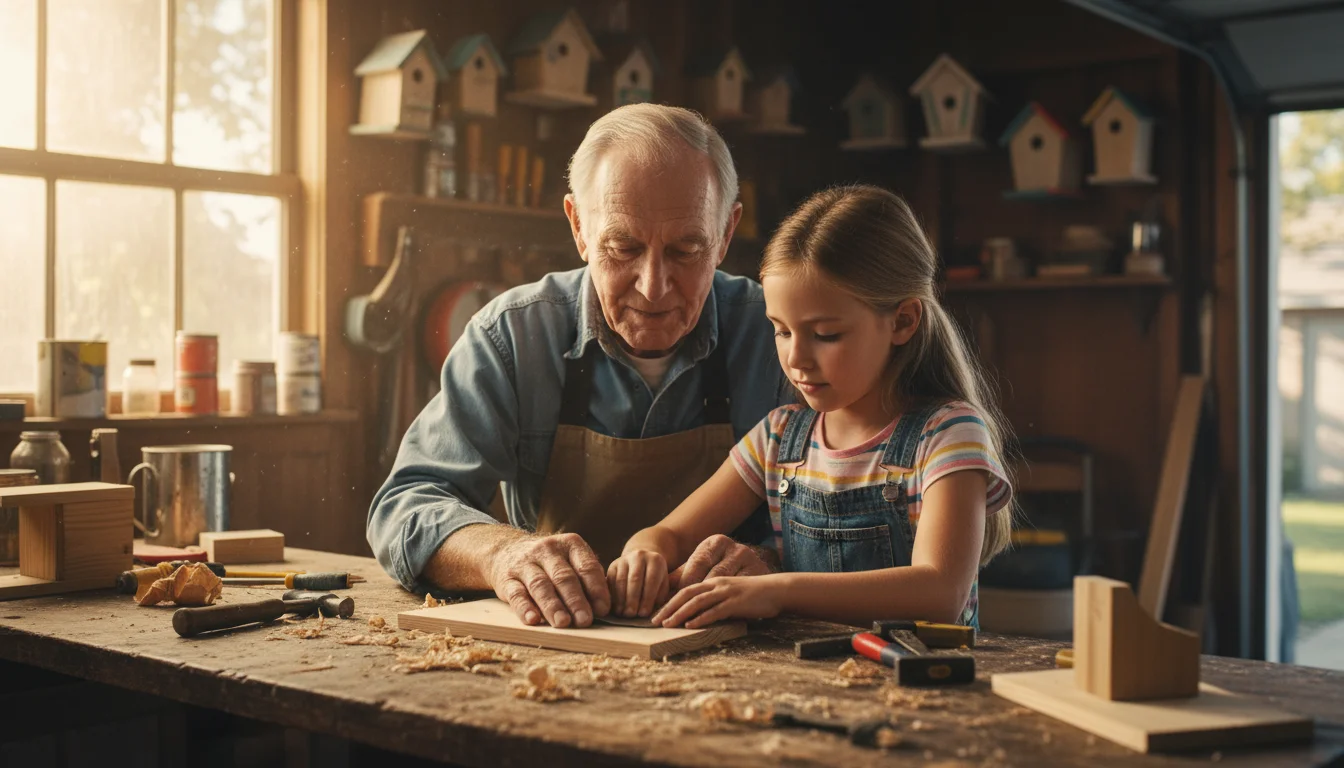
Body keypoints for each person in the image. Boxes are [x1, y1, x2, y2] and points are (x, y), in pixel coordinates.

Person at [367, 104, 791, 629]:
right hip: (561, 645)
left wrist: (773, 563)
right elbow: (406, 507)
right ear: (579, 228)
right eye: (623, 247)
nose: (653, 286)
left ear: (726, 234)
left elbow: (865, 508)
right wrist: (503, 555)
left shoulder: (781, 337)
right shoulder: (512, 338)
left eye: (686, 250)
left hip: (738, 650)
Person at [607, 185, 1014, 629]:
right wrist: (642, 554)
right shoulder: (779, 438)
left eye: (825, 335)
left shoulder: (948, 435)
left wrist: (777, 592)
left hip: (921, 685)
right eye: (781, 331)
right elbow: (670, 534)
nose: (796, 359)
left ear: (902, 321)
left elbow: (939, 594)